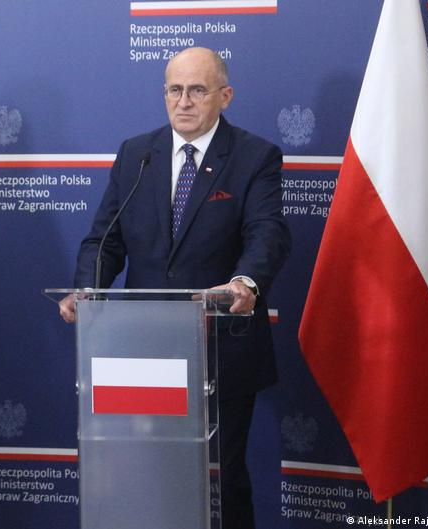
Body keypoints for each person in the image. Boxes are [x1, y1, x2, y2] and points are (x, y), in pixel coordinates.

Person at [59, 47, 291, 529]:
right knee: (147, 478)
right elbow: (104, 239)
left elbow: (267, 233)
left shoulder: (254, 156)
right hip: (144, 352)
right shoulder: (136, 154)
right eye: (175, 90)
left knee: (223, 480)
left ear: (225, 96)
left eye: (197, 90)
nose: (183, 101)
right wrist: (88, 291)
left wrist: (245, 282)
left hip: (221, 349)